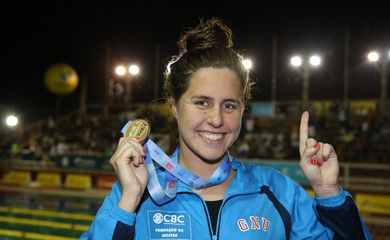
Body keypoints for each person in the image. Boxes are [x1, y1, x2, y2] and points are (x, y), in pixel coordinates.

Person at [81, 18, 372, 239]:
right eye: (202, 102)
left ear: (243, 109)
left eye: (230, 105)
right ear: (173, 105)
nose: (217, 119)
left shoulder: (278, 193)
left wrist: (329, 192)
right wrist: (129, 201)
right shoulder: (135, 193)